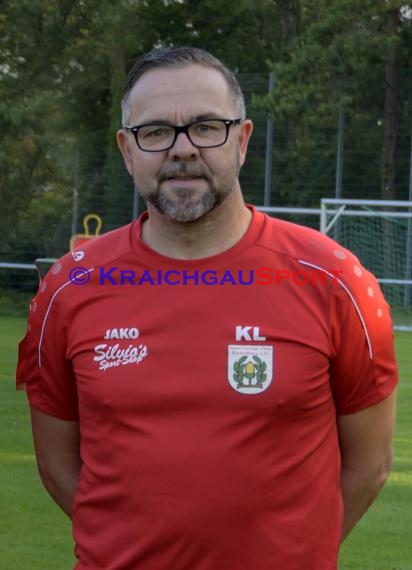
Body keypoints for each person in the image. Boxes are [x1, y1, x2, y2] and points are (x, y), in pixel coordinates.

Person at [17, 46, 398, 570]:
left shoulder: (335, 281)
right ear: (127, 151)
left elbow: (371, 465)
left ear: (241, 141)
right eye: (155, 132)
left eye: (206, 126)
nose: (183, 150)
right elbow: (60, 469)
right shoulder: (70, 286)